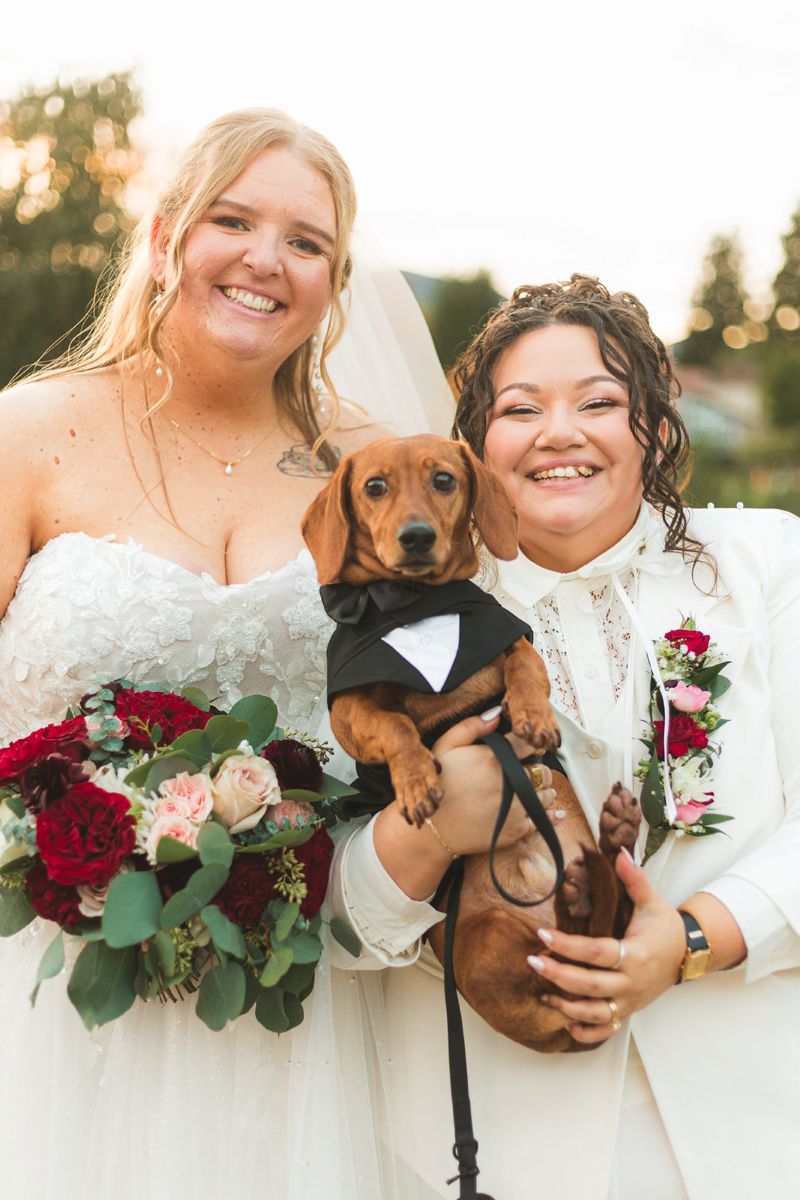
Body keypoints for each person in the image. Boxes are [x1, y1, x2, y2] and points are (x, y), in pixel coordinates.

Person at [0, 106, 451, 1200]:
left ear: (334, 285)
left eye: (306, 243)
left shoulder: (372, 467)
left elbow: (440, 693)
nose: (266, 261)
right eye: (233, 220)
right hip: (55, 987)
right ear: (164, 240)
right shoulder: (29, 431)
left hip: (305, 1002)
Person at [329, 275, 800, 1198]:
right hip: (491, 1147)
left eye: (600, 401)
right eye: (520, 408)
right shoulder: (384, 630)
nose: (559, 431)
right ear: (475, 446)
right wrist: (428, 830)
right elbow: (339, 926)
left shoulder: (770, 565)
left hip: (755, 1127)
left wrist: (693, 940)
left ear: (656, 429)